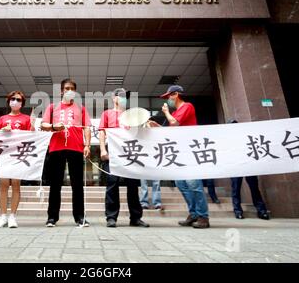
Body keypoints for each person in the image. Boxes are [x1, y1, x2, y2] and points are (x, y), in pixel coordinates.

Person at [150, 85, 210, 229]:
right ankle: (193, 214)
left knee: (194, 184)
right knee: (181, 184)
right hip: (179, 152)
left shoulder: (187, 106)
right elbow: (173, 130)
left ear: (176, 94)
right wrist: (158, 126)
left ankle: (203, 216)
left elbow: (174, 123)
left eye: (168, 97)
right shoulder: (177, 112)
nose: (167, 100)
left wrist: (165, 113)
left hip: (190, 151)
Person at [41, 78, 91, 227]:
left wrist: (87, 145)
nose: (69, 91)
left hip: (76, 147)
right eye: (67, 88)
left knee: (77, 185)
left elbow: (87, 127)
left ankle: (79, 217)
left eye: (72, 89)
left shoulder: (81, 109)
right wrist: (53, 127)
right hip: (57, 148)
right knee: (55, 184)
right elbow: (43, 125)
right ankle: (52, 217)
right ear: (62, 91)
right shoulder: (52, 107)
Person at [99, 88, 149, 228]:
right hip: (113, 154)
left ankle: (135, 218)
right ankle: (111, 217)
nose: (123, 99)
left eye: (125, 97)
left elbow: (138, 133)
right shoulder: (107, 114)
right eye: (120, 96)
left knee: (133, 186)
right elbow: (102, 132)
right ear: (114, 98)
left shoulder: (131, 115)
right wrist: (103, 149)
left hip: (130, 153)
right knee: (112, 184)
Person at [0, 90, 34, 228]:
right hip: (4, 155)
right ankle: (2, 216)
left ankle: (12, 217)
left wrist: (32, 126)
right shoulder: (2, 119)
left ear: (22, 103)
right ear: (8, 101)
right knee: (3, 185)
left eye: (18, 99)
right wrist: (2, 131)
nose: (15, 101)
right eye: (12, 99)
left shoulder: (26, 119)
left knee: (16, 184)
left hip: (18, 155)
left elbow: (32, 137)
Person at [227, 119, 270, 220]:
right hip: (235, 166)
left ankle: (261, 211)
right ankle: (238, 211)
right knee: (236, 189)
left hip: (248, 165)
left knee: (254, 188)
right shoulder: (227, 139)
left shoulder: (246, 136)